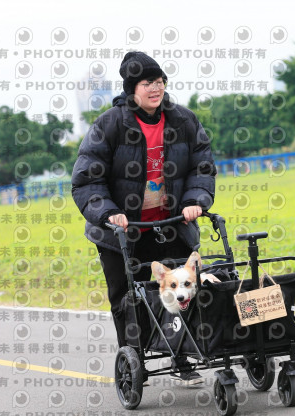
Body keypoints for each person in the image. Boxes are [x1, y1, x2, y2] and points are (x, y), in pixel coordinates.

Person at [71, 51, 217, 385]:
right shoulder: (109, 124)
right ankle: (133, 360)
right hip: (122, 232)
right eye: (148, 82)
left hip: (171, 225)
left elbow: (202, 166)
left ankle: (182, 357)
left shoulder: (184, 120)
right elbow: (86, 180)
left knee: (181, 292)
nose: (156, 88)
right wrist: (108, 213)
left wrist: (194, 201)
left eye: (160, 81)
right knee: (128, 299)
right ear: (132, 89)